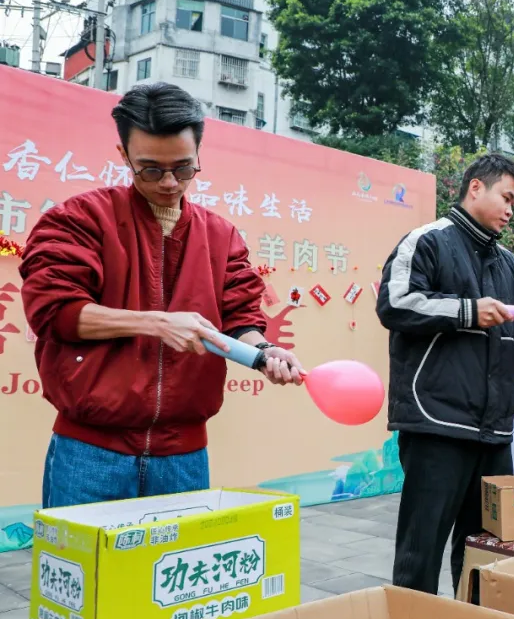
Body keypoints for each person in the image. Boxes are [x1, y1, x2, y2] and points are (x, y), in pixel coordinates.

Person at [19, 82, 304, 509]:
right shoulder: (79, 218)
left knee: (172, 574)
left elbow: (240, 319)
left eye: (184, 168)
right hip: (90, 452)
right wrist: (154, 322)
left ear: (198, 156)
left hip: (183, 456)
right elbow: (56, 312)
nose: (170, 182)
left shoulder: (221, 235)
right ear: (123, 156)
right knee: (89, 577)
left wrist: (264, 352)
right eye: (150, 169)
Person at [376, 154, 514, 598]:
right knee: (421, 550)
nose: (511, 209)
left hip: (494, 430)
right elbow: (395, 304)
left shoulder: (509, 265)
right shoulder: (428, 241)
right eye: (506, 197)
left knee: (485, 550)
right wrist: (466, 310)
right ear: (476, 187)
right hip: (436, 421)